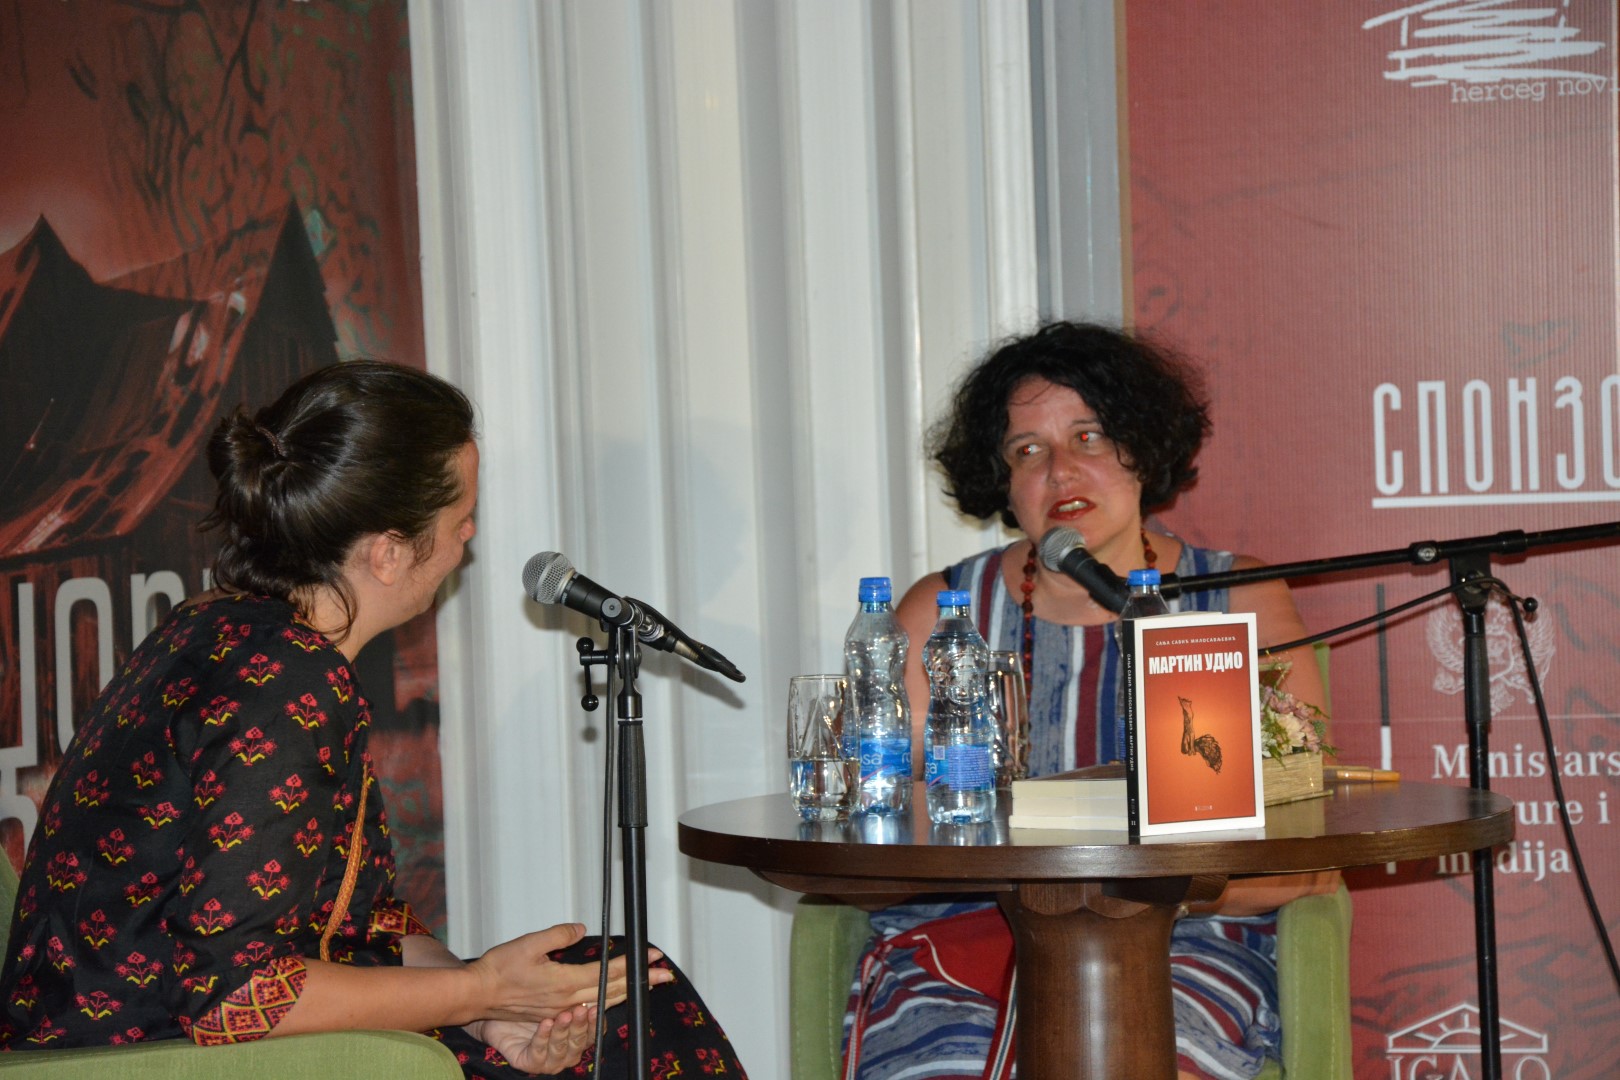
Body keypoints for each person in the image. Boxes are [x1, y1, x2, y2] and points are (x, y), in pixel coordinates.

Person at [0, 361, 747, 1078]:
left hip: (196, 1026)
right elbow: (235, 998)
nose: (468, 537)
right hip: (140, 1051)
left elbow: (358, 923)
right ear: (387, 553)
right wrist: (478, 991)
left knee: (629, 990)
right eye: (461, 517)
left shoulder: (224, 625)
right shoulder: (285, 680)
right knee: (642, 1024)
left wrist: (490, 1013)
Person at [841, 322, 1336, 1080]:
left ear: (1142, 450)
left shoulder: (1234, 599)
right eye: (1027, 450)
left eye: (1090, 436)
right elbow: (864, 828)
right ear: (1004, 481)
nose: (1061, 470)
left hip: (1185, 940)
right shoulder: (939, 612)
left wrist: (1136, 902)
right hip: (967, 937)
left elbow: (1305, 851)